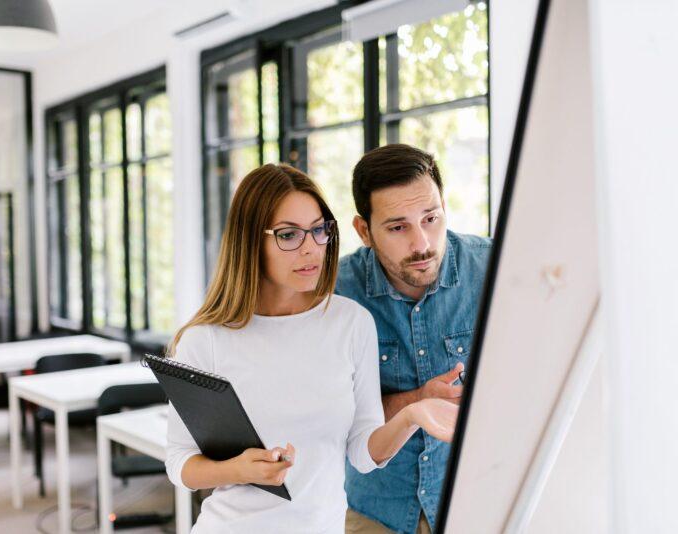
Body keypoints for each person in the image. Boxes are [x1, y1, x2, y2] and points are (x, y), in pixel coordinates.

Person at [165, 163, 459, 533]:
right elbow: (179, 463)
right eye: (289, 235)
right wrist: (238, 469)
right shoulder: (205, 339)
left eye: (319, 230)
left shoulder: (351, 323)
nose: (311, 249)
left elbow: (363, 454)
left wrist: (414, 414)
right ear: (251, 240)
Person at [337, 144, 492, 534]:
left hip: (475, 507)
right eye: (397, 227)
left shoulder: (494, 269)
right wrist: (418, 401)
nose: (421, 243)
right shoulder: (337, 293)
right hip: (374, 513)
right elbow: (336, 421)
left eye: (431, 218)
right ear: (363, 231)